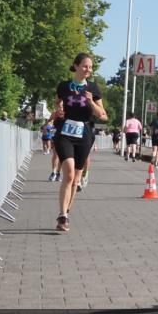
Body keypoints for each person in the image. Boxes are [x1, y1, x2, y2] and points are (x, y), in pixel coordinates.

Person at [52, 53, 107, 232]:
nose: (88, 70)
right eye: (85, 66)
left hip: (84, 134)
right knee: (68, 175)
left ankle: (67, 211)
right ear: (75, 66)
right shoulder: (64, 86)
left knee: (76, 180)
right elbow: (58, 102)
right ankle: (62, 215)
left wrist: (90, 102)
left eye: (90, 67)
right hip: (65, 133)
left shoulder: (93, 88)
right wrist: (59, 109)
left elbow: (102, 115)